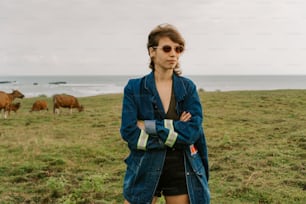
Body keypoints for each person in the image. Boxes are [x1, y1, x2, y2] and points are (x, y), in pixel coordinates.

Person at [120, 24, 210, 204]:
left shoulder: (187, 88)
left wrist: (149, 126)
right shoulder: (134, 88)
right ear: (151, 52)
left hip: (181, 168)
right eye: (167, 48)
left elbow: (191, 132)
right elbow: (129, 132)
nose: (174, 54)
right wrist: (175, 129)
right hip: (143, 166)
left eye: (178, 49)